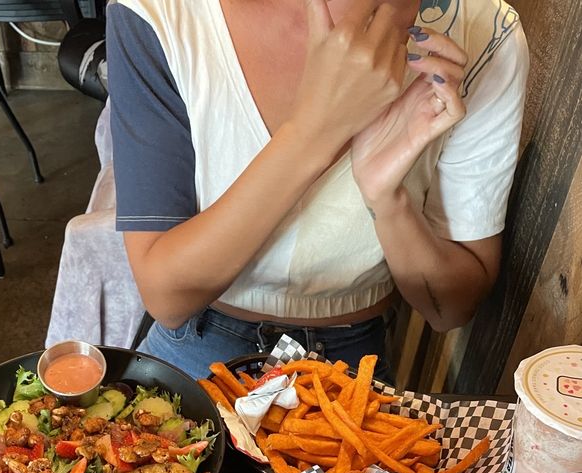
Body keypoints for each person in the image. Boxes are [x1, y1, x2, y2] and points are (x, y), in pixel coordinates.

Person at [106, 0, 528, 380]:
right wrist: (316, 132)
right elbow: (166, 296)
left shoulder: (485, 32)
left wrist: (387, 198)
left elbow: (450, 309)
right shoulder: (158, 13)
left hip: (355, 369)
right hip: (199, 351)